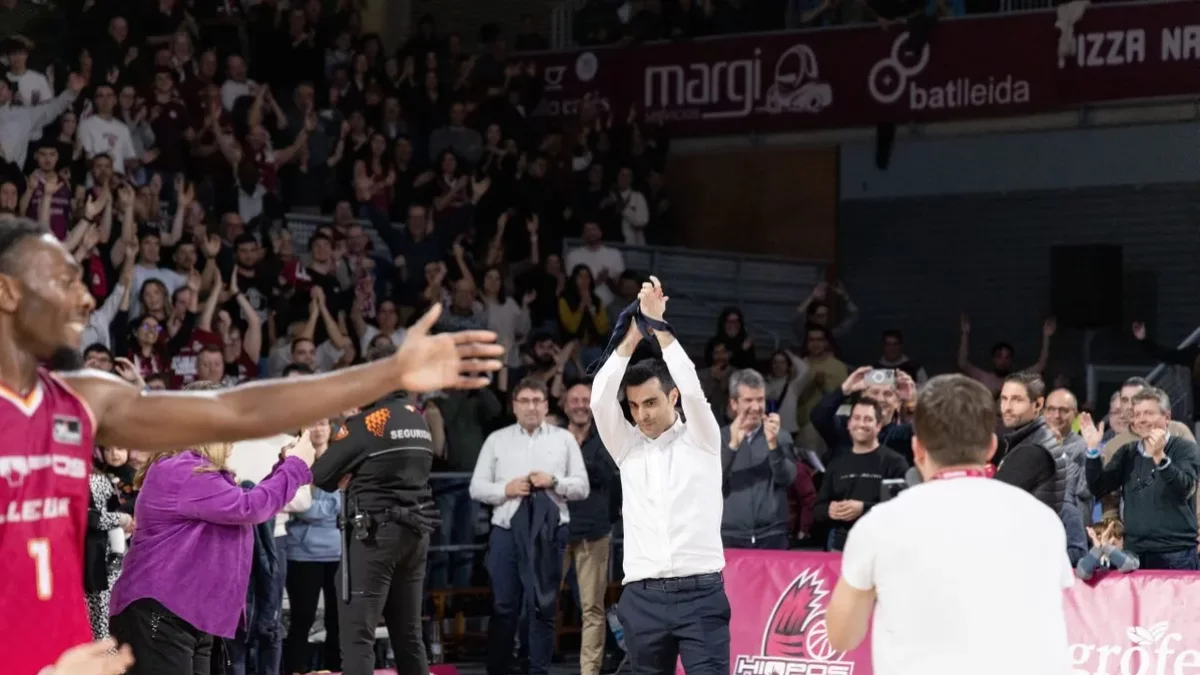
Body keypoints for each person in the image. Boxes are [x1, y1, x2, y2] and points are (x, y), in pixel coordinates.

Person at [0, 217, 503, 675]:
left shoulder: (85, 396)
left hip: (69, 654)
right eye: (63, 282)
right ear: (8, 292)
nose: (85, 299)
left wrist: (387, 372)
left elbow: (236, 409)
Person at [827, 374, 1073, 675]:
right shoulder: (1042, 520)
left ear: (917, 450)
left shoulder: (881, 524)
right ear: (991, 446)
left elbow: (841, 637)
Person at [107, 386, 316, 675]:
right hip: (163, 614)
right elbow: (250, 508)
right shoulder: (182, 470)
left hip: (189, 616)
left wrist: (284, 466)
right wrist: (294, 467)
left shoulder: (194, 471)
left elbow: (241, 509)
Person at [590, 276, 730, 675]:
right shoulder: (627, 446)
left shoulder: (702, 438)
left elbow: (693, 386)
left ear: (672, 397)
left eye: (651, 402)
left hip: (701, 593)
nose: (642, 415)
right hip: (642, 597)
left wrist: (660, 328)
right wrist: (632, 336)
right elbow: (600, 398)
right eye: (634, 406)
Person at [310, 342, 443, 675]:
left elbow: (322, 476)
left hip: (374, 538)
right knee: (409, 635)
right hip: (416, 536)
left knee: (358, 637)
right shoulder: (419, 421)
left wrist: (348, 472)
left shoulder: (367, 423)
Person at [1079, 387, 1200, 570]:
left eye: (1149, 413)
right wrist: (1093, 451)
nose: (1141, 419)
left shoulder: (1184, 449)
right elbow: (1099, 487)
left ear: (1167, 417)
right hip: (1134, 552)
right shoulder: (1127, 453)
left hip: (1176, 553)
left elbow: (1184, 488)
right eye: (1136, 415)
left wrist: (1160, 457)